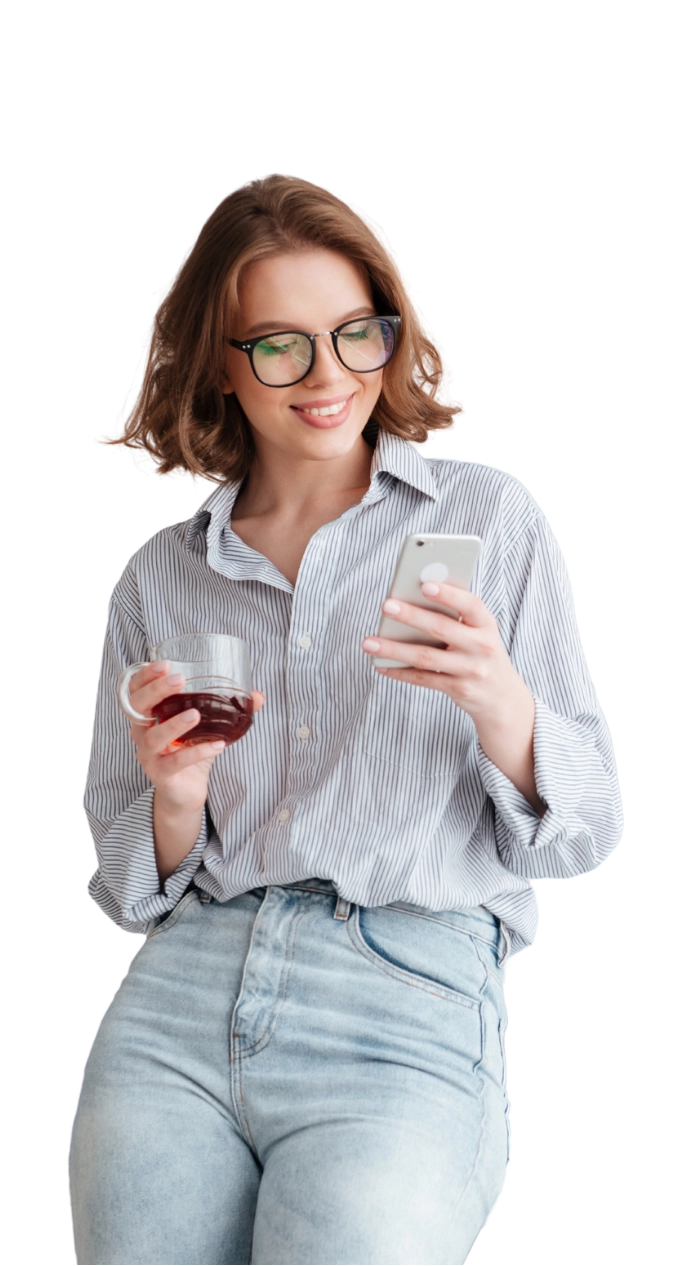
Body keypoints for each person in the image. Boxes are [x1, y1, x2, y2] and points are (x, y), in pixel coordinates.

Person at [71, 173, 623, 1266]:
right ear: (220, 366)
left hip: (405, 989)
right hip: (182, 999)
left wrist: (498, 705)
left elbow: (592, 835)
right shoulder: (159, 575)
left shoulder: (490, 516)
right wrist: (175, 796)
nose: (327, 378)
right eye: (278, 346)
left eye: (354, 335)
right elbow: (126, 881)